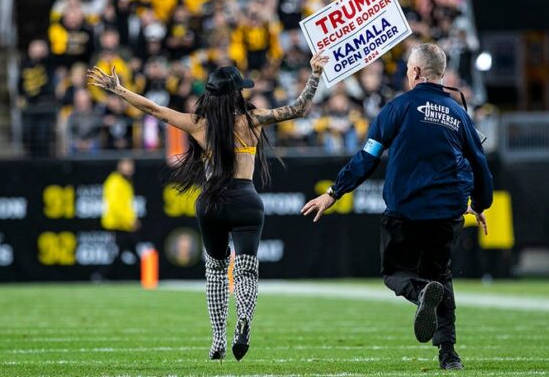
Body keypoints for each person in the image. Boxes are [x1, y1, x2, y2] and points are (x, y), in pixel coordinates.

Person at [88, 51, 329, 361]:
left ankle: (217, 339)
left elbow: (155, 109)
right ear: (234, 93)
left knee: (215, 272)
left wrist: (117, 89)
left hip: (212, 201)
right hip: (245, 198)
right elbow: (299, 108)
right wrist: (315, 75)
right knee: (245, 271)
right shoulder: (253, 119)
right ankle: (244, 319)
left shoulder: (198, 124)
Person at [301, 43, 493, 371]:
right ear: (441, 73)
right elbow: (480, 164)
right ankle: (449, 355)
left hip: (406, 211)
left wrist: (334, 192)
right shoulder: (459, 113)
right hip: (447, 214)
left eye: (408, 68)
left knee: (394, 273)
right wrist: (480, 203)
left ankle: (420, 295)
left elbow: (367, 158)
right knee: (442, 276)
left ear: (415, 72)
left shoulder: (398, 108)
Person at [100, 158, 140, 279]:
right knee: (120, 252)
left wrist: (131, 219)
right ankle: (101, 275)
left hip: (124, 224)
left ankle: (103, 275)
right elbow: (116, 206)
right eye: (126, 165)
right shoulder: (115, 182)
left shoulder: (124, 182)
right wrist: (130, 220)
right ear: (119, 166)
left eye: (131, 165)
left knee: (123, 251)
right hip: (117, 224)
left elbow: (126, 205)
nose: (129, 168)